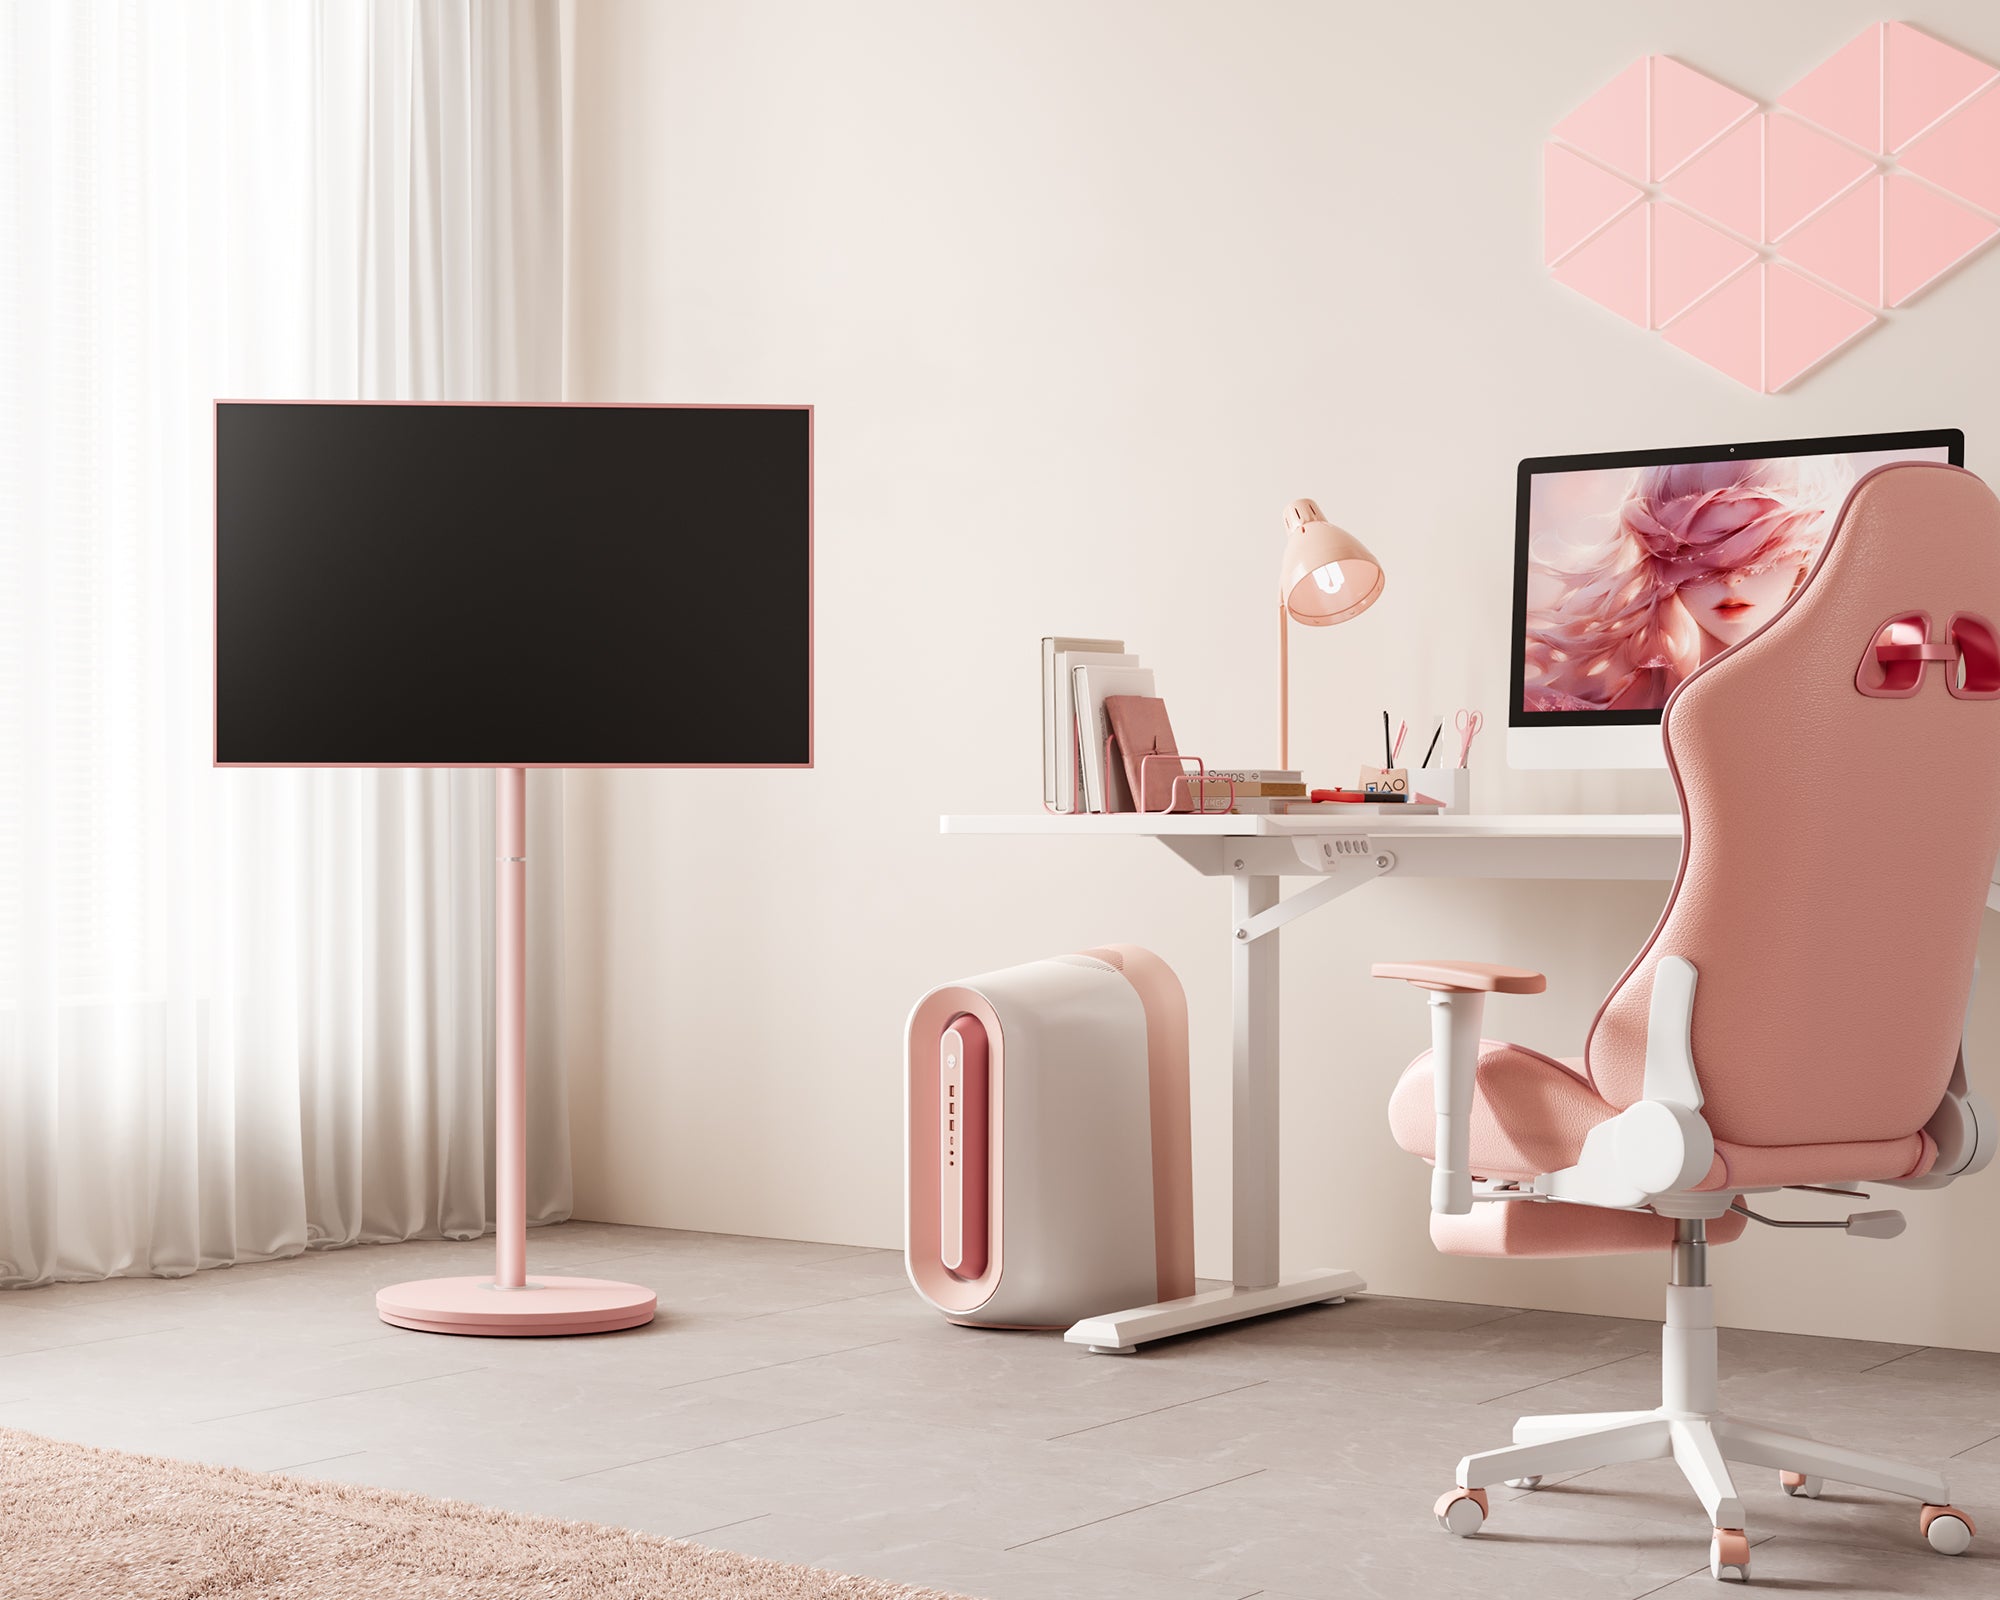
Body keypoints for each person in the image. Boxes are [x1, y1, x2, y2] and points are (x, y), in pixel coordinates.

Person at [1524, 456, 1853, 712]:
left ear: (1808, 551)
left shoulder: (1844, 693)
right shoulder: (1618, 706)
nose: (1731, 577)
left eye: (1761, 549)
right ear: (1657, 552)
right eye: (1692, 549)